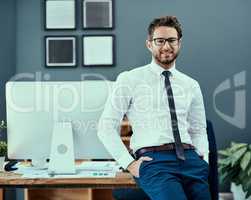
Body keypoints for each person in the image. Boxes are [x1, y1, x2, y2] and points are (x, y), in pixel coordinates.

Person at [97, 16, 211, 200]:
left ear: (179, 43)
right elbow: (105, 126)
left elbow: (198, 129)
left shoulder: (191, 84)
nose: (166, 46)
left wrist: (202, 158)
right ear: (149, 44)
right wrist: (130, 164)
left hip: (190, 159)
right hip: (154, 161)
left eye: (172, 40)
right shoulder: (130, 79)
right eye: (160, 41)